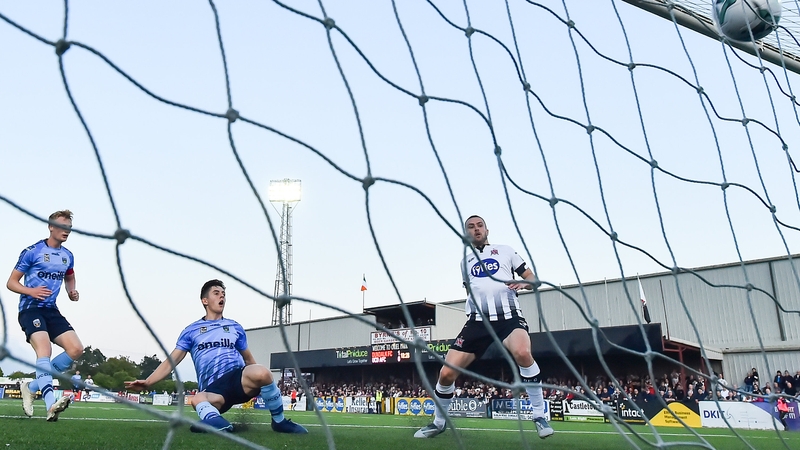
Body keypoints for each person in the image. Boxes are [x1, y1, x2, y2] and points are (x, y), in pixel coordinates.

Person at [415, 215, 553, 439]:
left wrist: (525, 282)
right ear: (466, 234)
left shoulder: (506, 250)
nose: (476, 229)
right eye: (471, 226)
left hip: (508, 318)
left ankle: (538, 415)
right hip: (478, 322)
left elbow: (533, 280)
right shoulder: (465, 262)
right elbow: (470, 293)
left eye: (480, 225)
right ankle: (439, 423)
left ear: (487, 230)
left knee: (522, 352)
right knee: (447, 373)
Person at [125, 279, 307, 434]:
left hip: (238, 379)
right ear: (205, 300)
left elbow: (249, 359)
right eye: (216, 293)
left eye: (223, 294)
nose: (222, 296)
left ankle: (279, 422)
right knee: (195, 399)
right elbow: (172, 361)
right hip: (214, 390)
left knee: (262, 372)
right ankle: (218, 423)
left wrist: (262, 382)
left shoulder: (235, 327)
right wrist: (148, 382)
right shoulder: (191, 331)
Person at [6, 210, 83, 421]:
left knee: (76, 349)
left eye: (69, 228)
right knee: (45, 351)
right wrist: (31, 291)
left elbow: (70, 276)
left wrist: (71, 291)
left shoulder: (68, 255)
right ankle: (50, 405)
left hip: (51, 309)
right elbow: (11, 282)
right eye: (61, 226)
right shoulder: (32, 251)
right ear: (50, 227)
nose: (66, 231)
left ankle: (30, 387)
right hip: (30, 308)